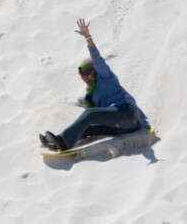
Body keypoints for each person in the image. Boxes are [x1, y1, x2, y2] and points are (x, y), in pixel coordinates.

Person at [39, 19, 149, 152]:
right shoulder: (91, 94)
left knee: (90, 114)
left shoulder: (105, 77)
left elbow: (97, 59)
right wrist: (76, 100)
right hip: (122, 126)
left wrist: (87, 37)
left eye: (87, 73)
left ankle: (61, 141)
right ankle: (59, 142)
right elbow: (85, 101)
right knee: (89, 127)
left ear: (94, 71)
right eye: (82, 75)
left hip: (127, 114)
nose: (85, 77)